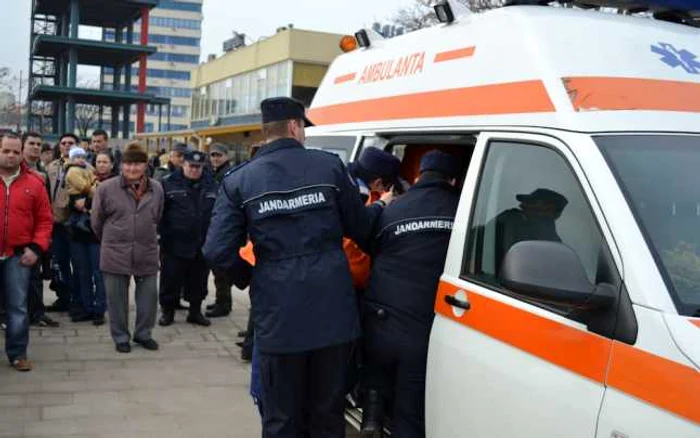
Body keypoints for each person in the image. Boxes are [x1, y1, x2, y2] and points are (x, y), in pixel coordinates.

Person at [204, 96, 390, 438]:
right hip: (332, 315)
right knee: (327, 417)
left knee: (281, 420)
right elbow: (361, 229)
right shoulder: (329, 167)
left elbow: (216, 251)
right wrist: (383, 209)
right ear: (294, 126)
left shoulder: (239, 180)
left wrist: (253, 277)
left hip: (278, 318)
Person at [361, 150, 461, 437]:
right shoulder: (462, 209)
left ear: (418, 177)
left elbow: (373, 250)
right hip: (422, 322)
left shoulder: (393, 208)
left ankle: (372, 412)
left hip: (382, 315)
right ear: (453, 181)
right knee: (410, 408)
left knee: (378, 366)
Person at [91, 142, 164, 353]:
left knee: (148, 298)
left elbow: (157, 216)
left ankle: (143, 334)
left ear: (145, 165)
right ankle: (121, 336)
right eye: (128, 164)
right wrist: (111, 240)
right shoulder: (106, 188)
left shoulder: (156, 188)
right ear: (121, 165)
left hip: (147, 250)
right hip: (114, 252)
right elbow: (96, 221)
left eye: (138, 164)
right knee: (116, 299)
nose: (133, 169)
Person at [0, 132, 53, 371]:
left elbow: (45, 221)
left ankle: (17, 353)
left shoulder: (35, 182)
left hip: (18, 255)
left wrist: (36, 248)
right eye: (5, 151)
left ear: (22, 152)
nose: (11, 156)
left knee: (17, 306)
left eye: (15, 151)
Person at [158, 150, 217, 327]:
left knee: (198, 279)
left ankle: (195, 311)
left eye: (198, 167)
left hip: (201, 242)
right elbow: (159, 211)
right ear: (183, 165)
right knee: (170, 279)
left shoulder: (212, 184)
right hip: (174, 243)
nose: (194, 170)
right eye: (191, 166)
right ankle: (167, 312)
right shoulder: (168, 183)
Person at [21, 132, 59, 328]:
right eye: (31, 143)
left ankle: (37, 312)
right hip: (16, 230)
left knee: (36, 274)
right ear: (22, 146)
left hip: (37, 231)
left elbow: (46, 204)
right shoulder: (13, 170)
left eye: (38, 144)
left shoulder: (43, 171)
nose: (35, 147)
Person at [64, 147, 106, 325]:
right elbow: (86, 189)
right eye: (99, 162)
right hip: (79, 231)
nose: (81, 159)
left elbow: (97, 196)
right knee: (82, 272)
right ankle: (87, 306)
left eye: (83, 156)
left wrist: (88, 201)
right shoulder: (74, 171)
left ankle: (99, 308)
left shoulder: (93, 173)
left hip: (96, 233)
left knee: (98, 273)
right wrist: (92, 193)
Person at [492, 188, 568, 274]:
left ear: (549, 209)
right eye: (527, 202)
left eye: (533, 202)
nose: (523, 205)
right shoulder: (511, 219)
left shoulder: (553, 245)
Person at [46, 133, 79, 313]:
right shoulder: (51, 167)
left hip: (75, 224)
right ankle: (63, 298)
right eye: (64, 143)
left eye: (71, 143)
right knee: (60, 262)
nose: (66, 145)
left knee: (78, 264)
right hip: (56, 223)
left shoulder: (85, 167)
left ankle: (78, 298)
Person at [205, 142, 236, 318]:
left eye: (218, 155)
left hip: (225, 224)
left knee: (221, 267)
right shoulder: (215, 173)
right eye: (213, 155)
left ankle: (223, 304)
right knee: (218, 267)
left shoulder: (228, 174)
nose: (215, 158)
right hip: (217, 222)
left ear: (226, 156)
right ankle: (221, 301)